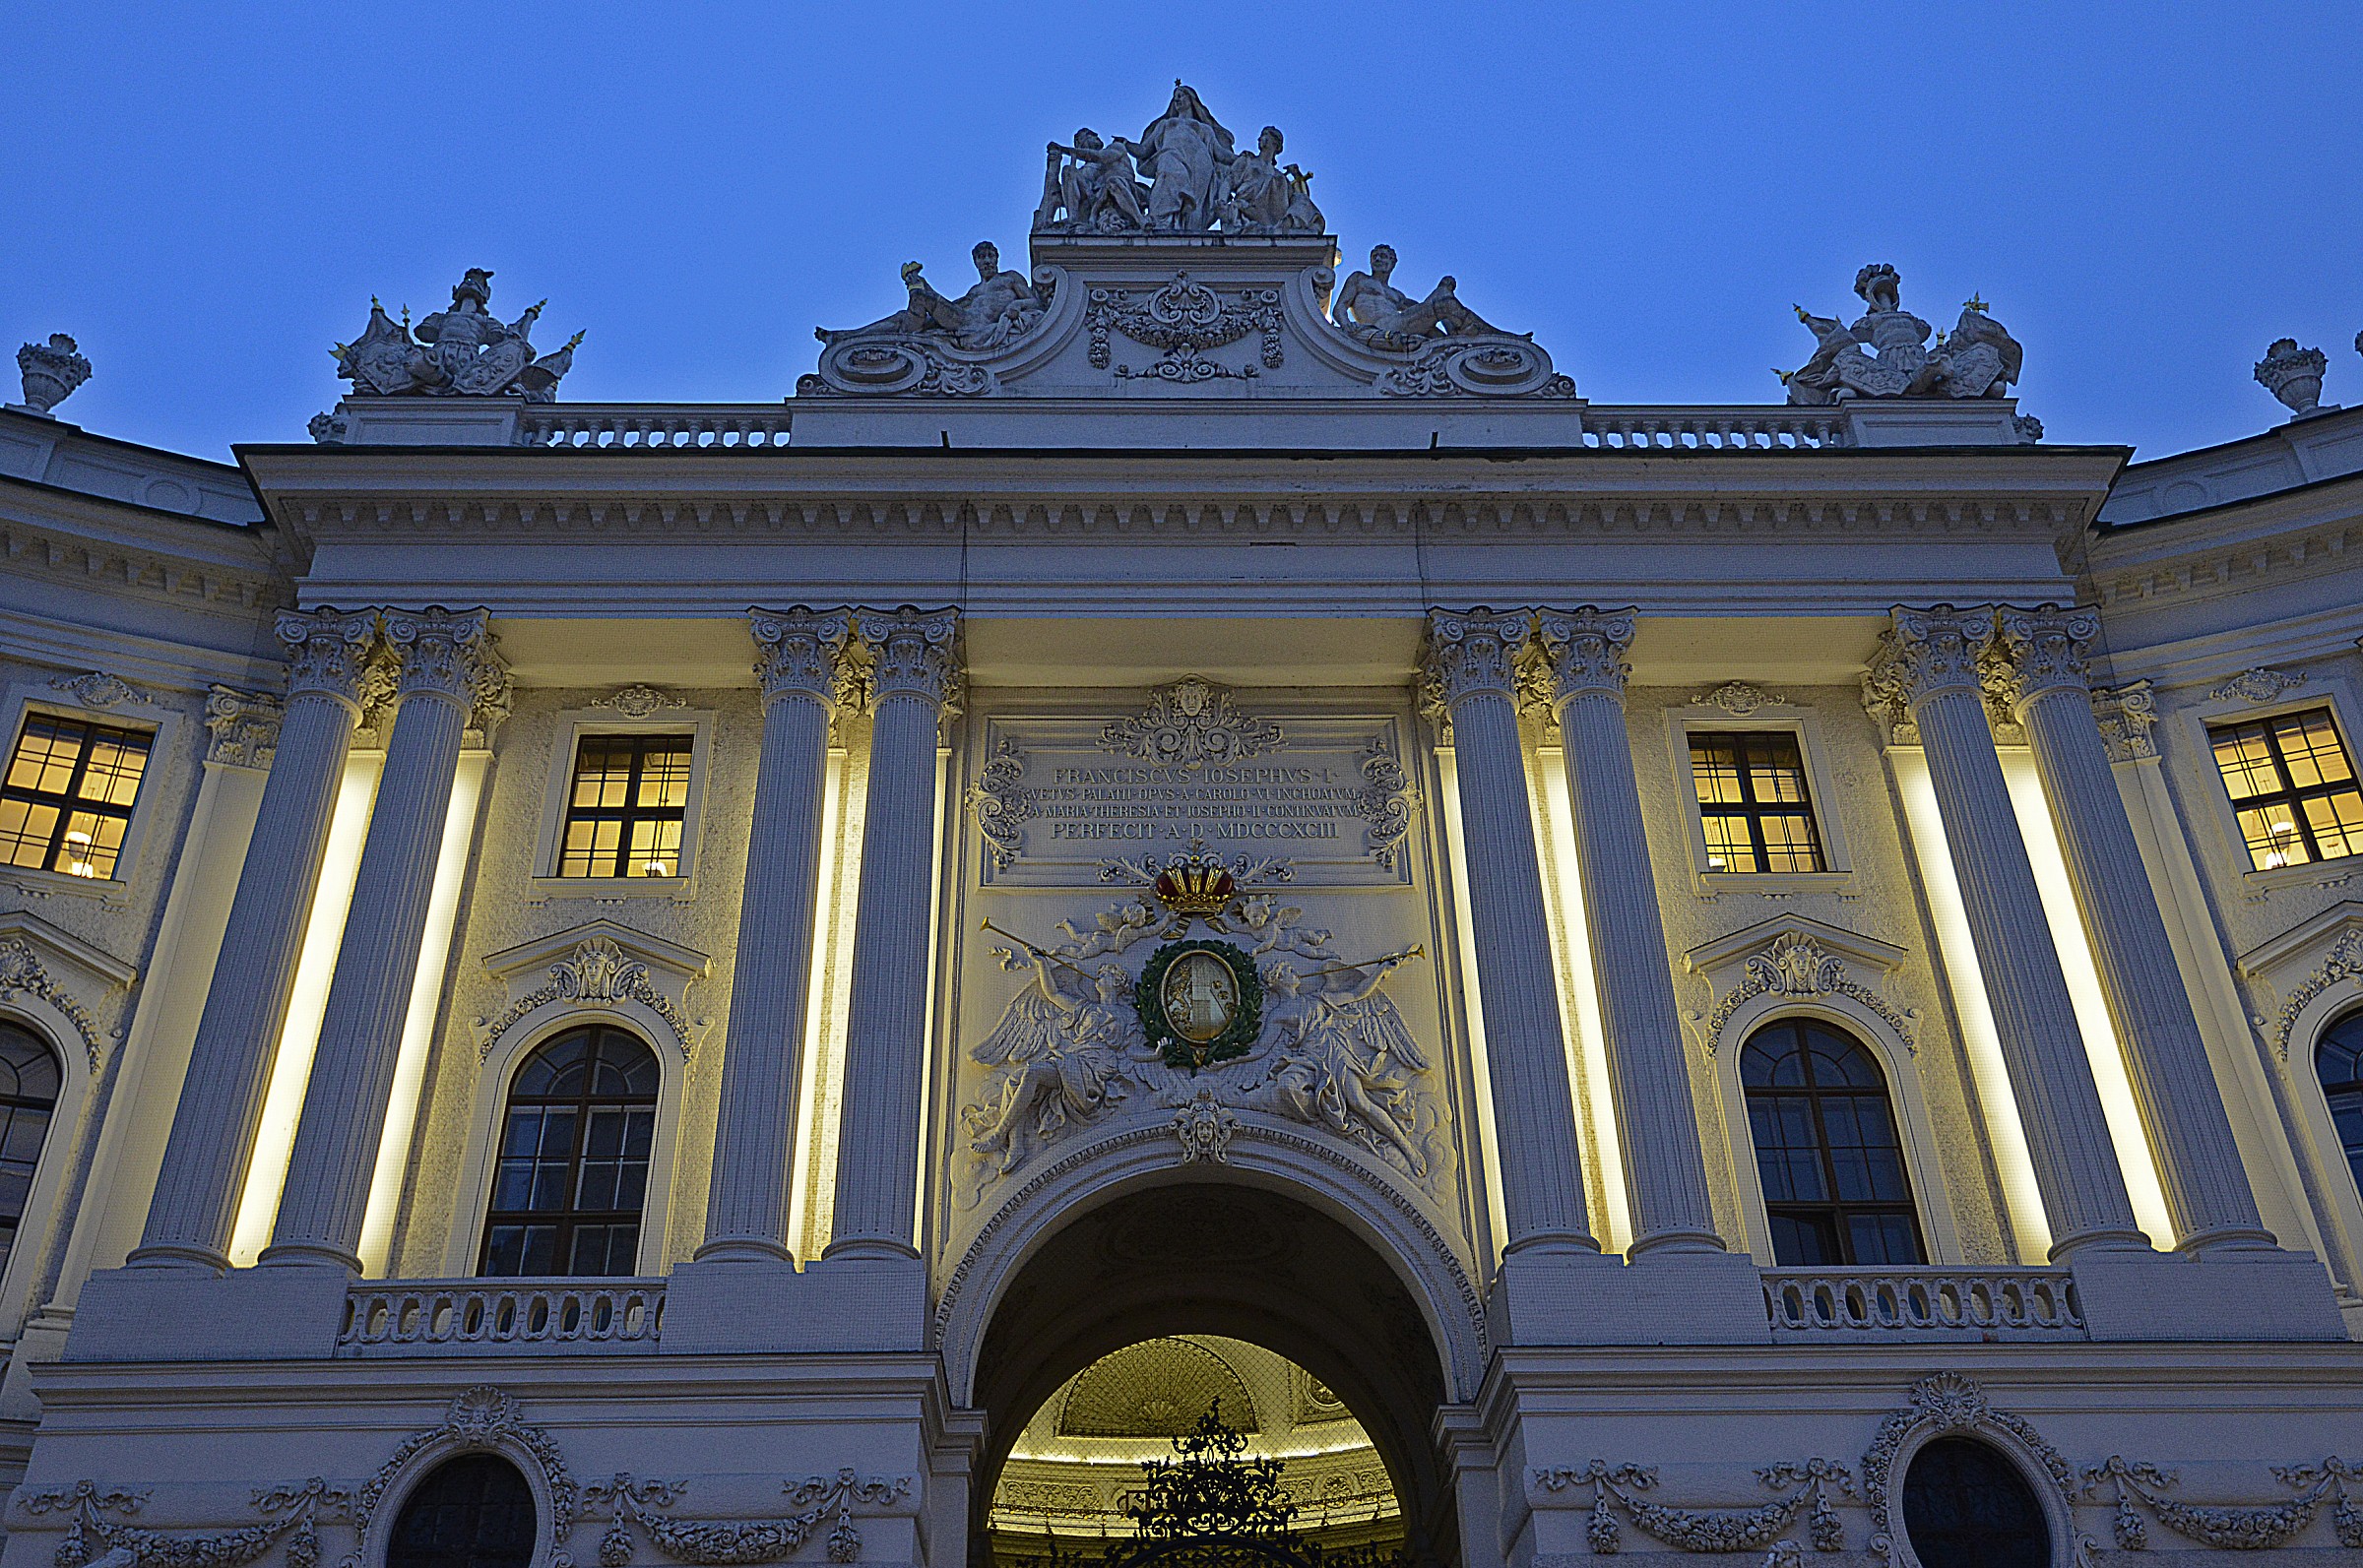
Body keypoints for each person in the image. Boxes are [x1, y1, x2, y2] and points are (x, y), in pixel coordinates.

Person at [1260, 956, 1429, 1175]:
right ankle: (1316, 1122)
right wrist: (1225, 1059)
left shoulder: (1318, 999)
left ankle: (1407, 1148)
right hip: (1310, 1059)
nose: (1295, 972)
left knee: (1360, 1103)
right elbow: (1260, 1050)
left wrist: (1380, 971)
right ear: (1279, 980)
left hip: (1334, 1051)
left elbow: (1356, 994)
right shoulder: (1279, 1014)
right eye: (1288, 971)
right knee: (1287, 1087)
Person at [1115, 82, 1236, 231]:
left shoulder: (1204, 128)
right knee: (1167, 170)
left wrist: (1240, 159)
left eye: (1181, 96)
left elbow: (1220, 153)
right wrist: (1126, 143)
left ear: (1191, 100)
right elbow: (1144, 150)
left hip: (1200, 164)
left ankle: (1189, 232)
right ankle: (1162, 224)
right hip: (1171, 157)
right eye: (1175, 98)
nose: (1177, 100)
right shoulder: (1166, 125)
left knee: (1195, 210)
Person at [1332, 245, 1507, 346]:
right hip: (1381, 327)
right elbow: (1339, 307)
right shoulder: (1359, 278)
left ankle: (1460, 340)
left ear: (1393, 263)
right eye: (1375, 256)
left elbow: (1422, 307)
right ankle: (1491, 338)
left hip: (1399, 323)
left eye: (1384, 256)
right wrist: (1347, 325)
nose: (1378, 260)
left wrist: (1443, 289)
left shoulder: (1397, 296)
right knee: (1444, 304)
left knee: (1443, 294)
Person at [1046, 128, 1146, 231]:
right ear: (1081, 144)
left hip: (1122, 188)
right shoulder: (1083, 171)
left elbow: (1100, 157)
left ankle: (1140, 219)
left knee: (1113, 181)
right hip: (1096, 197)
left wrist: (1065, 150)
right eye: (1091, 136)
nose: (1096, 137)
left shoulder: (1115, 147)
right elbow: (1059, 193)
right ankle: (1073, 219)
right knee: (1068, 170)